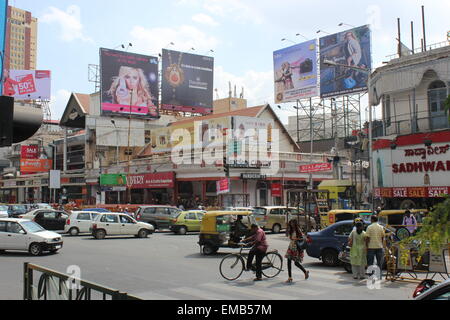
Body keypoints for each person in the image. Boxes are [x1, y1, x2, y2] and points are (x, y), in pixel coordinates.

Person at [365, 215, 385, 279]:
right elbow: (382, 237)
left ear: (372, 220)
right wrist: (381, 244)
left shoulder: (369, 227)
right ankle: (379, 276)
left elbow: (367, 237)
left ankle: (371, 275)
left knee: (370, 262)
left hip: (371, 247)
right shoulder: (381, 227)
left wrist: (366, 245)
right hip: (379, 246)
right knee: (379, 262)